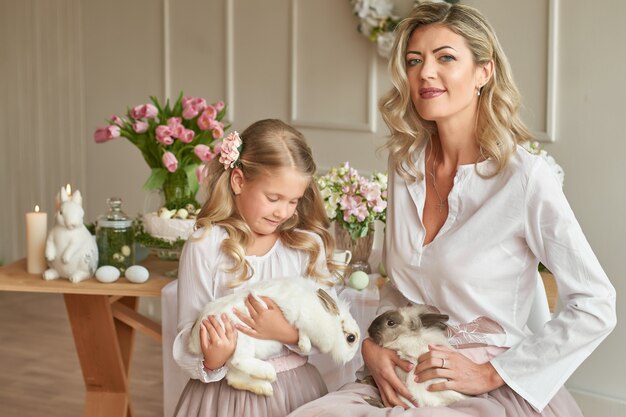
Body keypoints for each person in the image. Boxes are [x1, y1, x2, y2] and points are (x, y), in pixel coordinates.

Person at [288, 2, 616, 417]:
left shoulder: (524, 178)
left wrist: (492, 373)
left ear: (484, 71)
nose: (425, 72)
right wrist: (372, 348)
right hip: (399, 375)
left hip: (482, 389)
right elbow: (400, 290)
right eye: (414, 60)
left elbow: (596, 302)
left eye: (445, 57)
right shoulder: (404, 165)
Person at [172, 119, 338, 417]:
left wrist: (286, 332)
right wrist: (213, 358)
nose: (283, 212)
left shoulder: (306, 247)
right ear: (238, 181)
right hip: (222, 398)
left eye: (293, 201)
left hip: (293, 394)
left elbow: (332, 330)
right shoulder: (205, 245)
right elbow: (187, 333)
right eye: (273, 198)